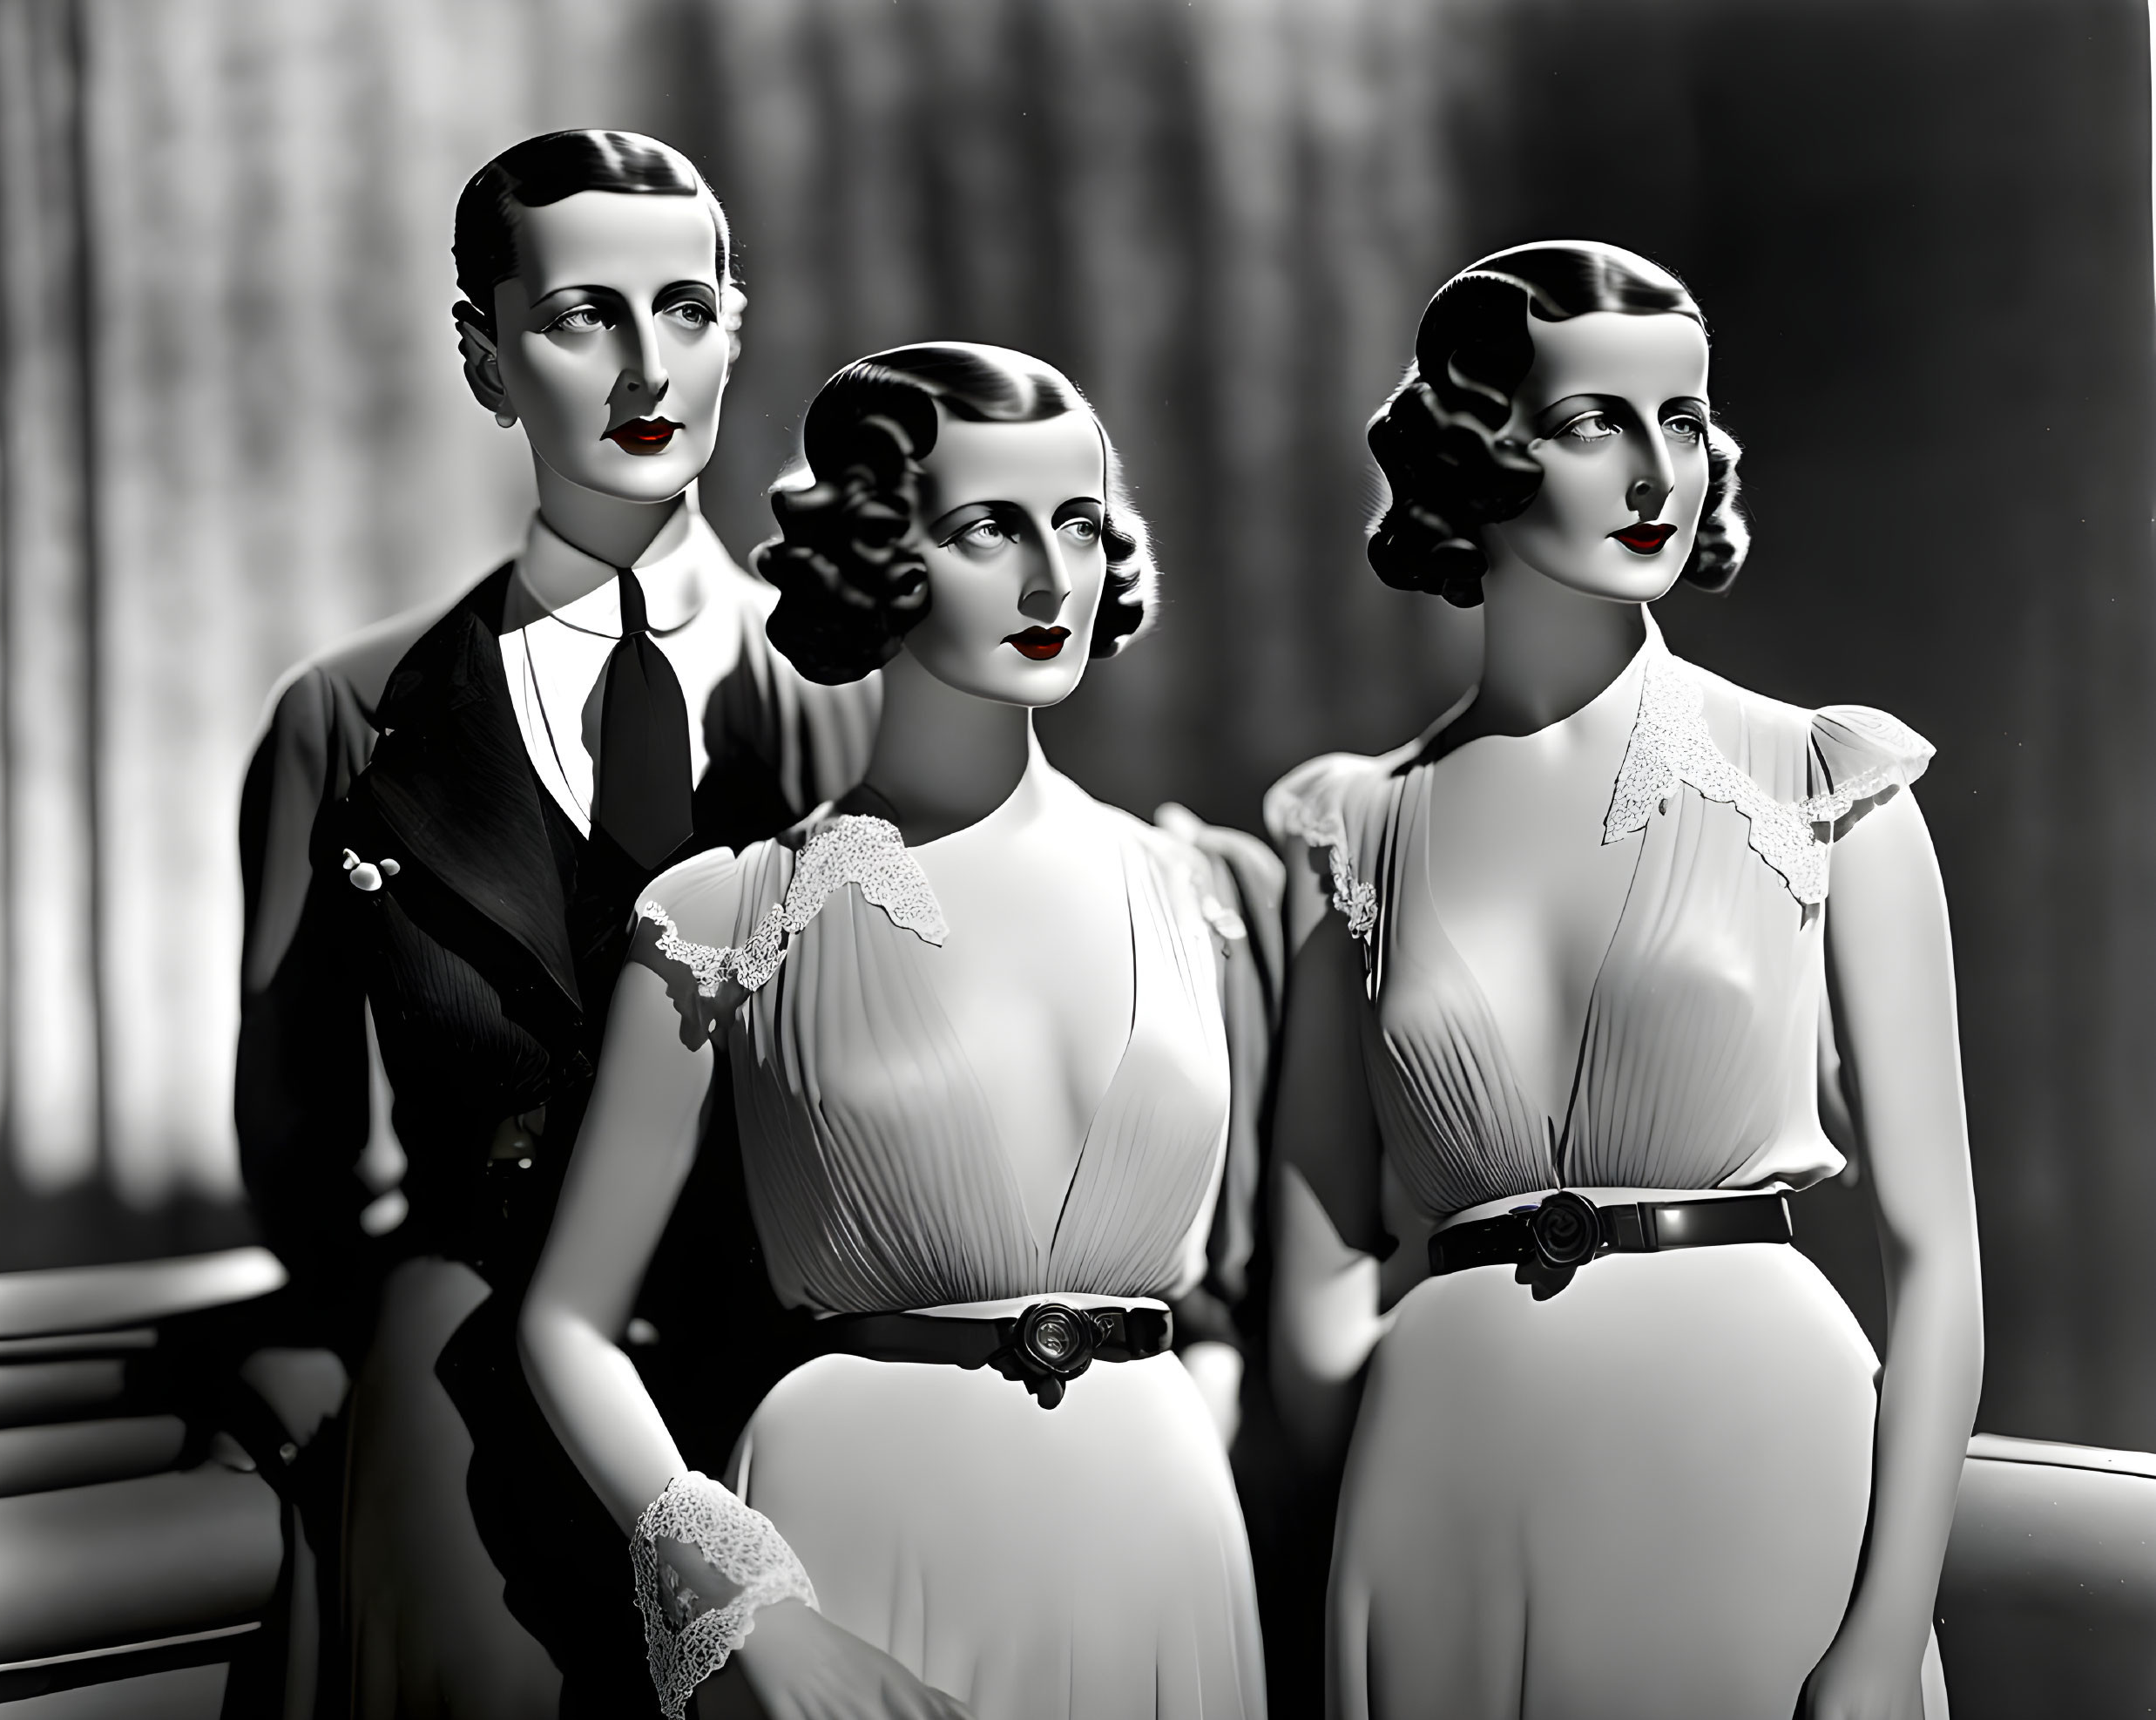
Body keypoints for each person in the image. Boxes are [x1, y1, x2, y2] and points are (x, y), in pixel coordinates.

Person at [1265, 242, 1981, 1720]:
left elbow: (1939, 1262)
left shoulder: (1824, 780)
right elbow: (1322, 1265)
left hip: (1755, 1469)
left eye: (1682, 419)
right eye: (1596, 421)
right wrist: (1382, 1470)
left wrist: (1879, 1630)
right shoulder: (1355, 826)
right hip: (1444, 1495)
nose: (1659, 471)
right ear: (1477, 446)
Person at [520, 342, 1271, 1720]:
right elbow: (567, 1321)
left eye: (1082, 523)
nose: (1053, 578)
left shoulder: (1200, 894)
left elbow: (1220, 1293)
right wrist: (751, 1609)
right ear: (878, 550)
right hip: (859, 1537)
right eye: (992, 526)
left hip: (1160, 1539)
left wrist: (1182, 1438)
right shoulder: (724, 912)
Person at [236, 130, 875, 1718]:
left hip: (791, 1370)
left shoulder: (866, 712)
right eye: (585, 314)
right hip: (468, 1379)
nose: (647, 364)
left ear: (738, 323)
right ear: (485, 354)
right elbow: (300, 1129)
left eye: (685, 308)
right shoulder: (355, 715)